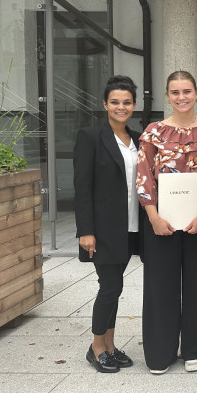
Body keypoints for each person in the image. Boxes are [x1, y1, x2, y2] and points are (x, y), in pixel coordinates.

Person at [136, 70, 197, 374]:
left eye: (187, 91)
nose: (181, 97)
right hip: (161, 221)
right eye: (175, 92)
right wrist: (153, 216)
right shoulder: (153, 132)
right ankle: (160, 352)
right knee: (161, 286)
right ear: (168, 96)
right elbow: (144, 176)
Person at [74, 75, 141, 373]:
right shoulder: (90, 137)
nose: (121, 107)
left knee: (115, 286)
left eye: (126, 102)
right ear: (105, 104)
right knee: (110, 286)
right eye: (115, 102)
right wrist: (85, 230)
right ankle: (96, 347)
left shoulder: (137, 139)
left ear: (134, 105)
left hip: (131, 227)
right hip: (103, 230)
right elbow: (82, 187)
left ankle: (110, 345)